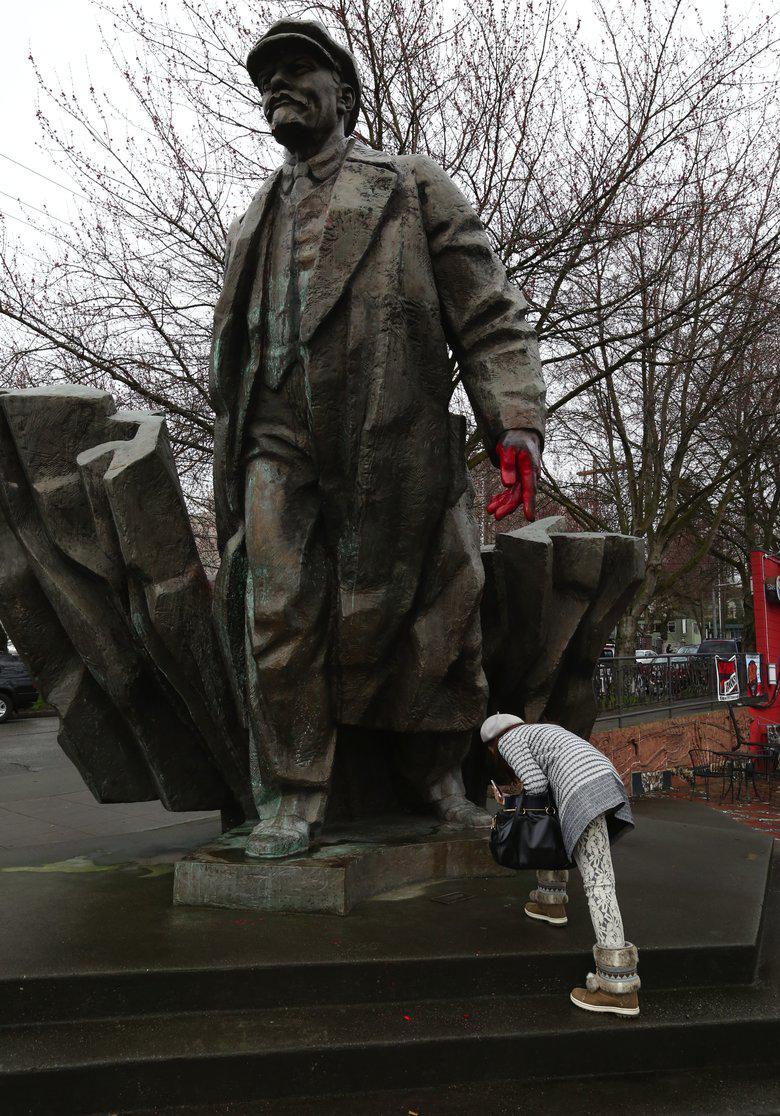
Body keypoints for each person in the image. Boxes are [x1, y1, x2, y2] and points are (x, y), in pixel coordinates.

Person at [211, 19, 547, 857]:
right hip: (275, 439)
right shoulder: (255, 217)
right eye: (268, 79)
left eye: (297, 71)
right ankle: (292, 795)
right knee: (277, 611)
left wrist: (517, 423)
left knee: (434, 610)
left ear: (347, 98)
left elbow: (489, 314)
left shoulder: (406, 184)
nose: (278, 87)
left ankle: (440, 780)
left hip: (389, 437)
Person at [481, 712, 640, 1016]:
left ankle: (618, 988)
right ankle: (550, 901)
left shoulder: (511, 740)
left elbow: (536, 786)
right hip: (603, 780)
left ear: (493, 744)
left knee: (599, 884)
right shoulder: (544, 731)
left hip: (583, 792)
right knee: (556, 829)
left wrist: (510, 803)